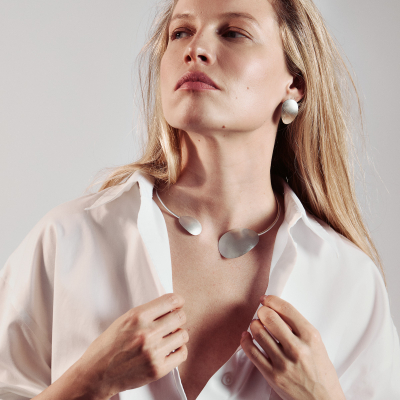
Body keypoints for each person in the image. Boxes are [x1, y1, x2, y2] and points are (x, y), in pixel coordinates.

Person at [1, 0, 399, 399]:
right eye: (181, 32)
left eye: (233, 33)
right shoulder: (67, 240)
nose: (195, 49)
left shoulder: (349, 282)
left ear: (294, 82)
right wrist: (89, 381)